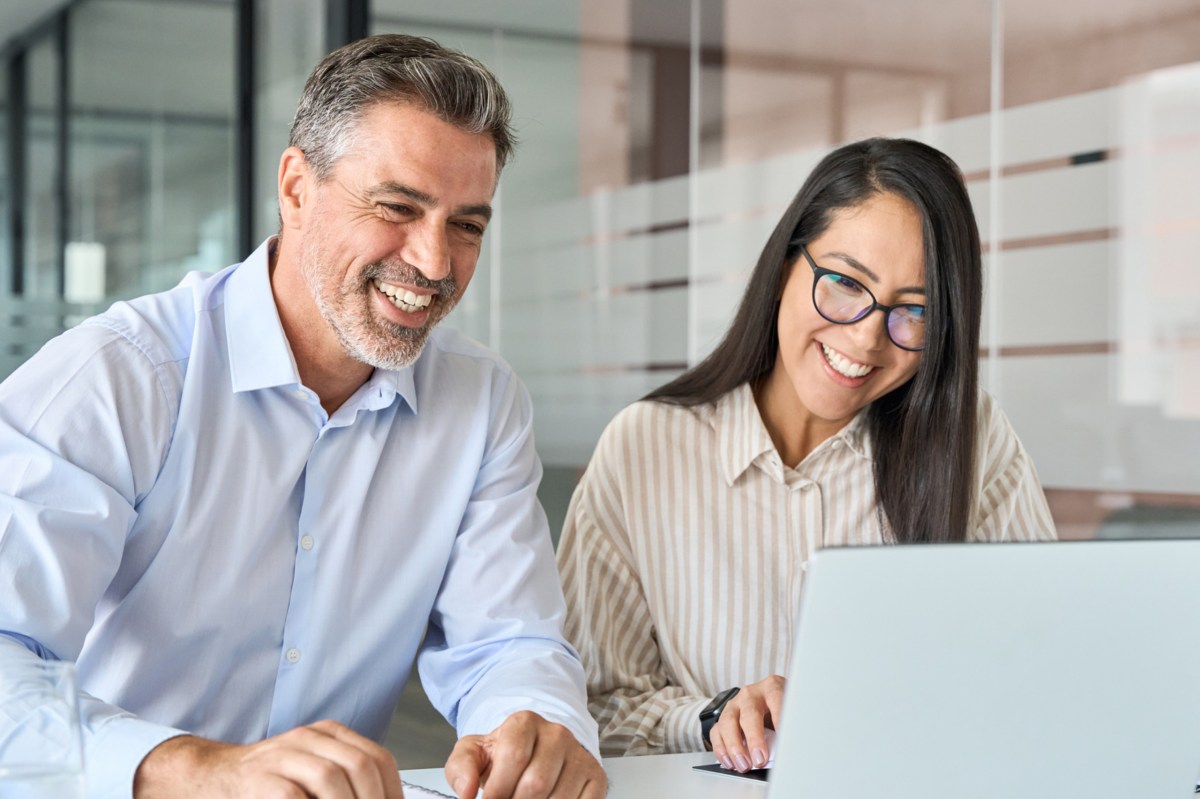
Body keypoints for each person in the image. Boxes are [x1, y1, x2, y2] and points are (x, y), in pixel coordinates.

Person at [0, 34, 605, 799]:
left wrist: (534, 725)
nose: (434, 262)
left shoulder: (481, 403)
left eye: (468, 225)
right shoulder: (121, 376)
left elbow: (507, 641)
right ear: (296, 188)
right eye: (398, 207)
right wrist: (194, 768)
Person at [556, 137, 1057, 772]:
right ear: (784, 267)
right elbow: (591, 713)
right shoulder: (644, 448)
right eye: (846, 283)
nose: (867, 337)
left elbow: (1039, 680)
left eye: (915, 311)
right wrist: (716, 717)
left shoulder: (974, 441)